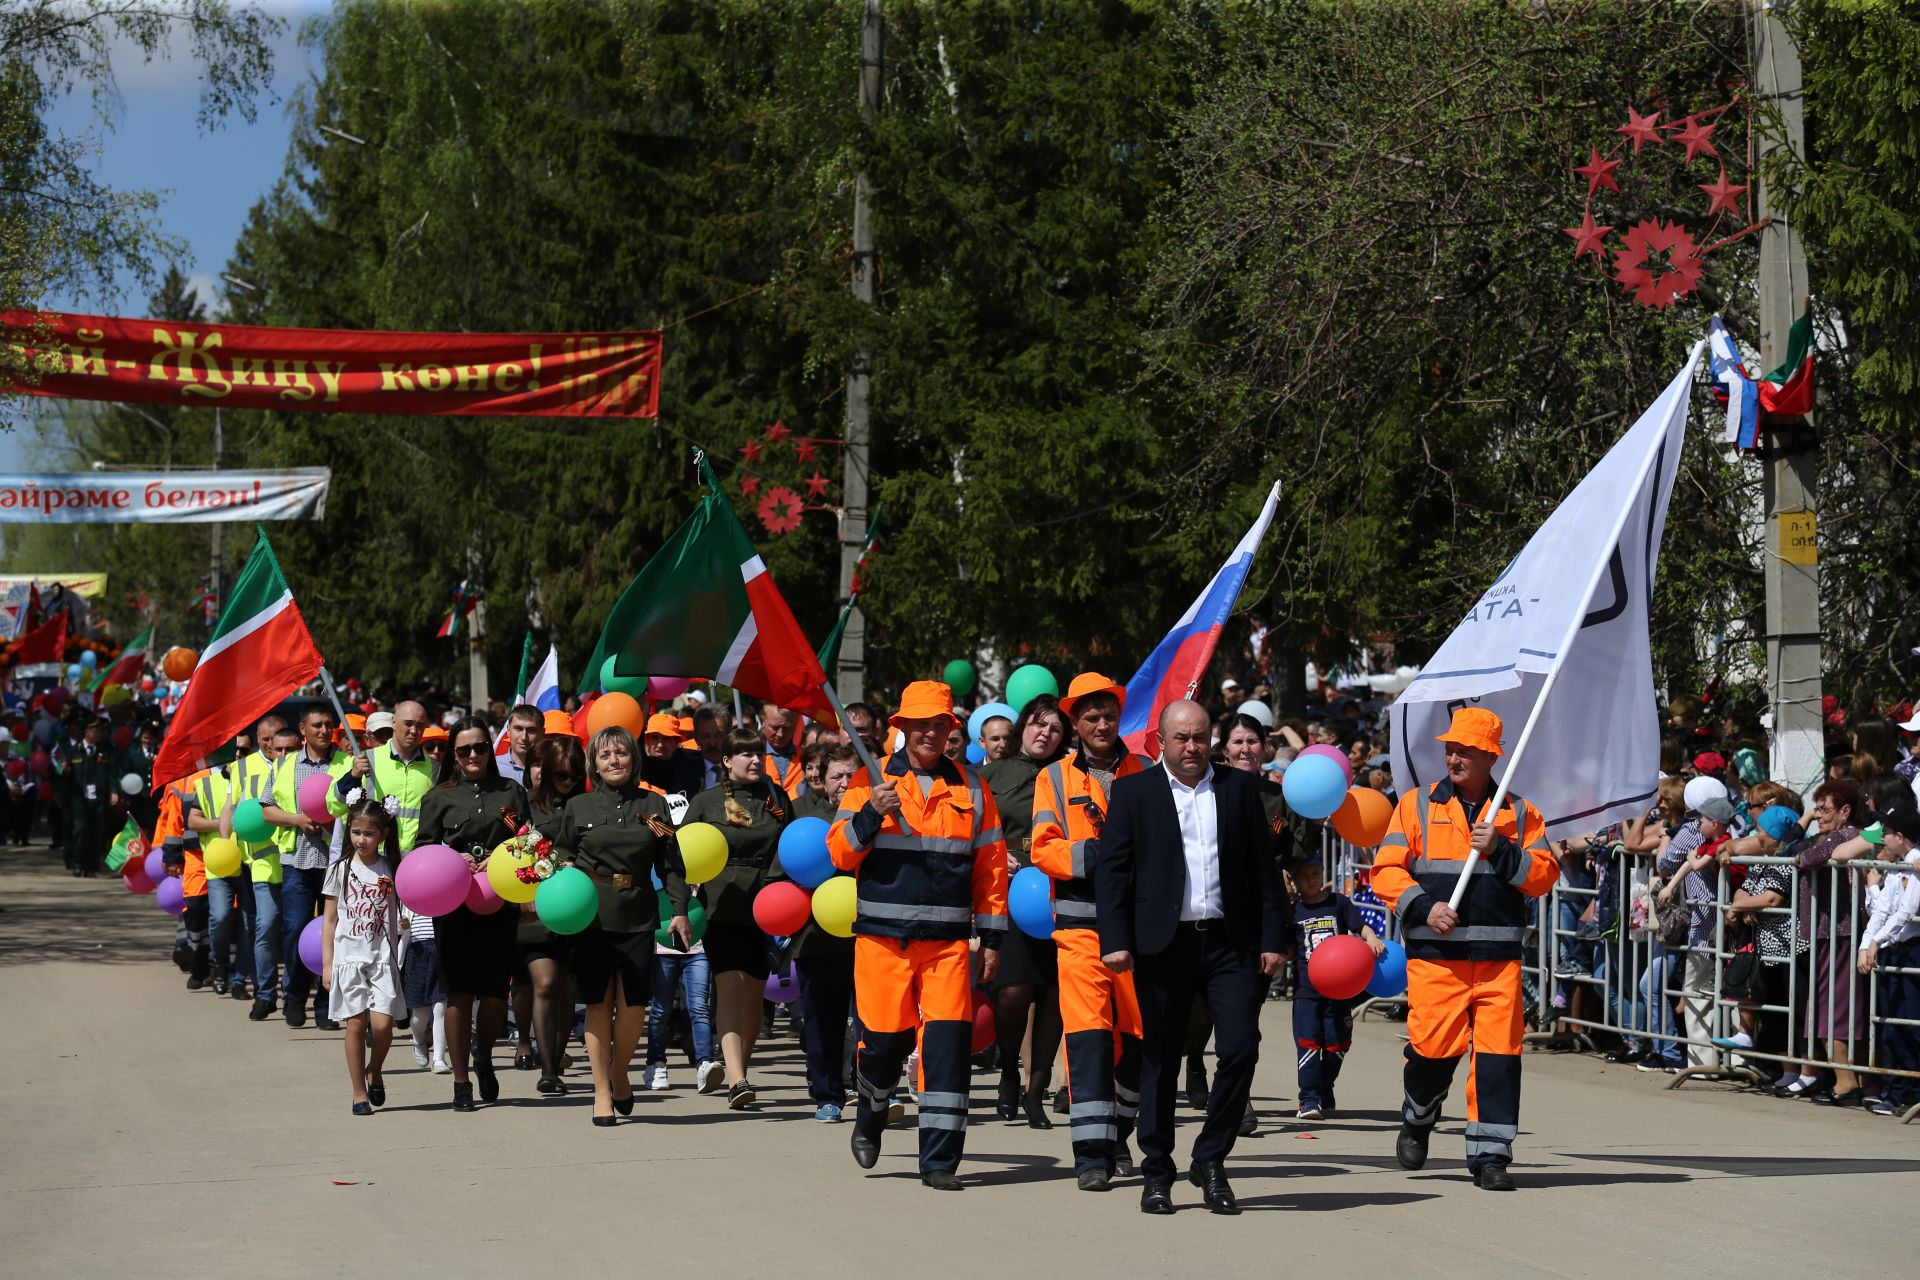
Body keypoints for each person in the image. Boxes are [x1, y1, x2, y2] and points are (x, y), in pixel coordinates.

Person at [1093, 700, 1286, 1216]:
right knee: (1160, 1058)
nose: (1192, 748)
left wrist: (1273, 939)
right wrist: (1114, 938)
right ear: (1161, 741)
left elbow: (1263, 872)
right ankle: (1157, 1170)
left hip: (1230, 943)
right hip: (1163, 944)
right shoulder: (1135, 793)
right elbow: (1112, 872)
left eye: (1201, 737)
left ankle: (1212, 1158)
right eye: (1182, 738)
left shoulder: (1239, 789)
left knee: (1241, 1048)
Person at [828, 680, 1009, 1191]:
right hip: (882, 941)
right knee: (882, 1044)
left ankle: (939, 1163)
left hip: (948, 944)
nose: (930, 733)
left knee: (948, 1050)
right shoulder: (871, 779)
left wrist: (992, 939)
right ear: (901, 729)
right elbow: (840, 854)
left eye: (939, 725)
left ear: (952, 731)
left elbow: (991, 869)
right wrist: (869, 814)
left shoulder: (972, 787)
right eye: (919, 725)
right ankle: (872, 1110)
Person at [1372, 707, 1558, 1192]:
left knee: (1498, 1057)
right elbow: (1387, 870)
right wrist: (1424, 907)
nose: (1453, 757)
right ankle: (1418, 1116)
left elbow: (1542, 877)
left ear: (1490, 756)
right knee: (1432, 1053)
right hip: (1437, 958)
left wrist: (1502, 848)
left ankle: (1491, 1156)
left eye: (1465, 750)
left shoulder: (1517, 812)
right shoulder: (1415, 805)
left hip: (1499, 964)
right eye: (1449, 748)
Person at [1030, 672, 1147, 1192]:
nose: (1102, 724)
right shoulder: (1052, 778)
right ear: (1075, 723)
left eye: (1109, 715)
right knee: (1089, 1039)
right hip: (1079, 928)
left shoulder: (1144, 770)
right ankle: (1091, 1156)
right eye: (1091, 717)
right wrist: (1096, 855)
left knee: (1139, 1041)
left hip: (1140, 931)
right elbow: (1043, 848)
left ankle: (1120, 1131)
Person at [553, 725, 692, 1126]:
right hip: (590, 916)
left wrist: (679, 909)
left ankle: (619, 1073)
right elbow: (561, 854)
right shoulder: (578, 807)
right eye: (605, 755)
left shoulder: (655, 805)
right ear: (594, 765)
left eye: (622, 753)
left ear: (634, 758)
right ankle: (601, 1091)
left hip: (637, 914)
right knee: (598, 1004)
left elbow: (671, 864)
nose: (614, 761)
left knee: (633, 1007)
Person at [416, 717, 527, 1112]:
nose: (473, 755)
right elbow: (422, 852)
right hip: (455, 909)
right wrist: (452, 858)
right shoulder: (439, 797)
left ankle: (484, 1058)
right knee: (459, 994)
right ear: (453, 755)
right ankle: (461, 1080)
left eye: (480, 747)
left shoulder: (511, 793)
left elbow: (529, 843)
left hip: (498, 905)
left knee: (496, 995)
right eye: (463, 750)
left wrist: (505, 857)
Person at [682, 726, 793, 1109]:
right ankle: (737, 1078)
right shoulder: (706, 802)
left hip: (768, 904)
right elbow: (683, 853)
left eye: (757, 753)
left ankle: (739, 1070)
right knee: (729, 986)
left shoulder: (777, 797)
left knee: (753, 995)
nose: (754, 760)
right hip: (722, 903)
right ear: (726, 762)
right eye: (744, 754)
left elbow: (792, 846)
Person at [979, 695, 1068, 1127]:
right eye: (1037, 724)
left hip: (1060, 890)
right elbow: (976, 828)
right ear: (1023, 728)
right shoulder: (992, 774)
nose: (1044, 734)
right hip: (1011, 891)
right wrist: (998, 855)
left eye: (1054, 728)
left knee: (1054, 994)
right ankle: (1009, 1069)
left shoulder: (1069, 774)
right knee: (1014, 990)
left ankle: (1038, 1088)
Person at [264, 705, 357, 1028]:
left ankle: (325, 1006)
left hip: (337, 862)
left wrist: (331, 823)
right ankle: (294, 997)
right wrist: (299, 820)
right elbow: (266, 811)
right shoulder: (285, 764)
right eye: (317, 725)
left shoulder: (347, 764)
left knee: (333, 934)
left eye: (329, 725)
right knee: (295, 930)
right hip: (298, 861)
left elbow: (359, 808)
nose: (323, 730)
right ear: (303, 729)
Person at [322, 797, 405, 1116]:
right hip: (349, 960)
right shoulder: (340, 869)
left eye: (368, 834)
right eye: (356, 832)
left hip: (382, 958)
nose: (361, 839)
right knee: (355, 1025)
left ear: (383, 834)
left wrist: (404, 920)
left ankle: (375, 1069)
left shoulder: (392, 867)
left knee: (383, 1026)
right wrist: (328, 964)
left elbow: (406, 902)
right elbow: (329, 920)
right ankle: (359, 1092)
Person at [789, 744, 859, 1120]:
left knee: (874, 1021)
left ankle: (871, 1087)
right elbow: (781, 878)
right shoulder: (804, 821)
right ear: (822, 780)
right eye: (837, 776)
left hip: (868, 936)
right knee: (822, 1022)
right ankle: (827, 1093)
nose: (845, 783)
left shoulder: (876, 819)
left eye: (852, 775)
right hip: (816, 938)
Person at [1289, 860, 1383, 1119]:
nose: (1311, 879)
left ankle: (1324, 1086)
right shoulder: (1293, 911)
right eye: (1305, 875)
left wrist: (1371, 938)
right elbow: (1287, 949)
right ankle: (1308, 1099)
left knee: (1337, 1044)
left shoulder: (1339, 903)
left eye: (1316, 873)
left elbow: (1360, 927)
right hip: (1307, 991)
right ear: (1295, 880)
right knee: (1308, 1043)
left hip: (1340, 991)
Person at [522, 733, 583, 1093]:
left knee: (565, 991)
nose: (568, 782)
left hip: (577, 911)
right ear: (545, 772)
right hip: (534, 913)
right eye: (561, 775)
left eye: (574, 776)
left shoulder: (587, 804)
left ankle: (556, 1057)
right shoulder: (526, 805)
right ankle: (548, 1070)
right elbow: (512, 853)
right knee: (544, 983)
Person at [1858, 805, 1920, 1116]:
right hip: (1893, 949)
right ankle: (1897, 1091)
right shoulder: (1898, 868)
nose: (1882, 839)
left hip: (1911, 948)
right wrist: (1865, 944)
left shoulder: (1914, 867)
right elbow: (1882, 909)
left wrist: (1877, 941)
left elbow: (1906, 913)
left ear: (1900, 836)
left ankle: (1908, 1093)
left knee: (1910, 1024)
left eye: (1887, 834)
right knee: (1892, 1025)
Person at [641, 711, 704, 801]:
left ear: (676, 742)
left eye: (666, 738)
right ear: (647, 740)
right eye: (655, 737)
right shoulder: (635, 771)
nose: (660, 745)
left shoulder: (693, 771)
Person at [494, 703, 543, 785]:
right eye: (518, 729)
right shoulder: (494, 768)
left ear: (542, 732)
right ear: (508, 731)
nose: (524, 737)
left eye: (531, 730)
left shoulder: (551, 767)